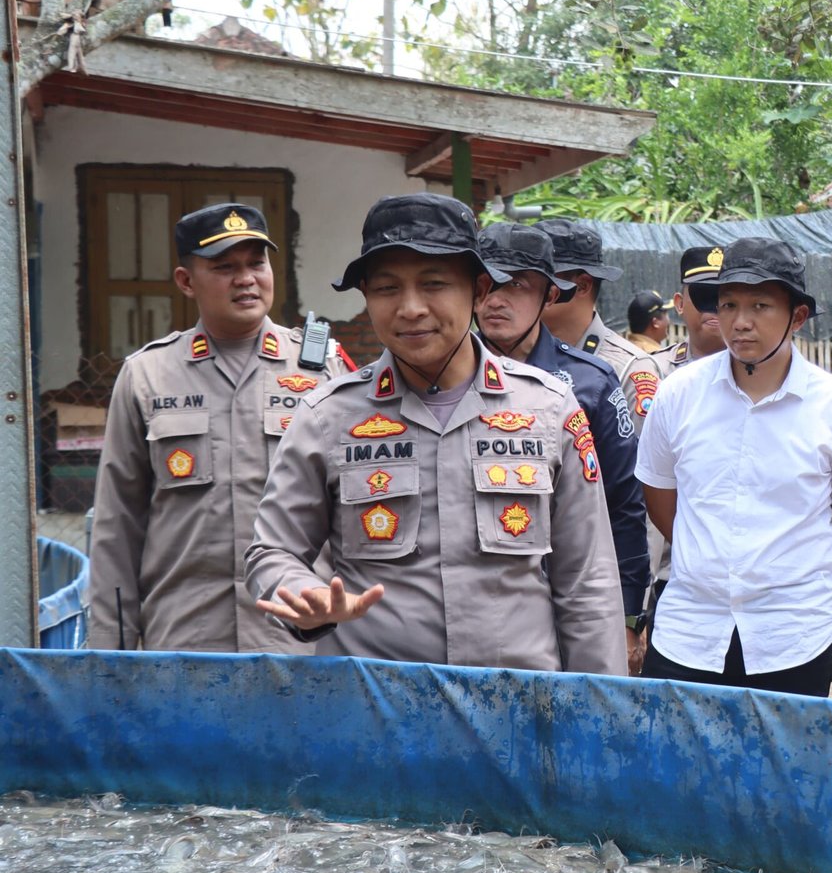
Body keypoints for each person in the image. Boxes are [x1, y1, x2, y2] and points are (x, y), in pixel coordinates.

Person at [245, 192, 625, 674]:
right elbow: (272, 551)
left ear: (479, 290)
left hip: (515, 711)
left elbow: (586, 581)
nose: (410, 308)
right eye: (386, 289)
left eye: (434, 284)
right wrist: (306, 595)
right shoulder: (327, 417)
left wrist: (596, 718)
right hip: (377, 713)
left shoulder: (547, 408)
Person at [88, 202, 350, 652]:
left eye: (256, 263)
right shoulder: (147, 375)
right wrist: (109, 651)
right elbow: (118, 524)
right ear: (186, 281)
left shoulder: (324, 370)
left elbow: (352, 509)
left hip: (299, 636)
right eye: (225, 267)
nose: (246, 278)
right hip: (183, 636)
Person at [634, 236, 832, 697]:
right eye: (728, 304)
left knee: (786, 769)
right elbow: (662, 504)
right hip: (689, 634)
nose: (740, 322)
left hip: (792, 640)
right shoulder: (677, 395)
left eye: (761, 306)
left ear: (798, 317)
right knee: (679, 769)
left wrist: (778, 566)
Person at [475, 222, 652, 672]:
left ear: (550, 296)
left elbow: (624, 503)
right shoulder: (443, 381)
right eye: (484, 284)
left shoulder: (591, 382)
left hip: (575, 601)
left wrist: (630, 613)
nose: (495, 299)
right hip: (480, 609)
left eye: (515, 285)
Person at [634, 246, 728, 645]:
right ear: (679, 303)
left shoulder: (776, 381)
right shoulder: (652, 375)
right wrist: (635, 608)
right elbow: (640, 492)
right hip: (672, 577)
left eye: (721, 298)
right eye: (701, 296)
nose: (712, 310)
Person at [536, 218, 660, 426]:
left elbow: (641, 456)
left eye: (542, 277)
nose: (528, 288)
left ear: (582, 285)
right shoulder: (505, 356)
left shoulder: (628, 369)